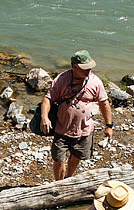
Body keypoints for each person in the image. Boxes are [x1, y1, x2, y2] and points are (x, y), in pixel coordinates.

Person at [40, 50, 113, 180]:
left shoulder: (95, 82)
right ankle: (59, 184)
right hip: (62, 128)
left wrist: (109, 125)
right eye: (85, 68)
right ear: (74, 67)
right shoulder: (62, 79)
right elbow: (48, 99)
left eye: (89, 68)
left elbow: (104, 103)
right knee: (59, 159)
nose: (88, 71)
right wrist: (44, 117)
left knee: (77, 155)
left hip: (84, 129)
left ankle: (69, 177)